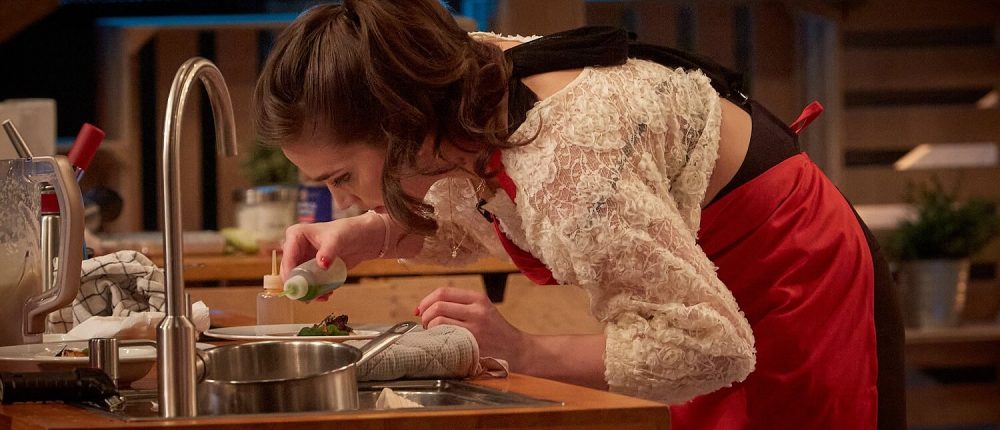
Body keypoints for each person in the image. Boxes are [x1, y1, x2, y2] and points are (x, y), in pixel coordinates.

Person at [253, 1, 905, 429]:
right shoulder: (448, 83)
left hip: (791, 273)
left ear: (403, 129)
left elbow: (710, 348)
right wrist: (372, 232)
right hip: (707, 271)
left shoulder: (570, 164)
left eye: (340, 178)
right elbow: (475, 197)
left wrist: (521, 350)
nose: (339, 200)